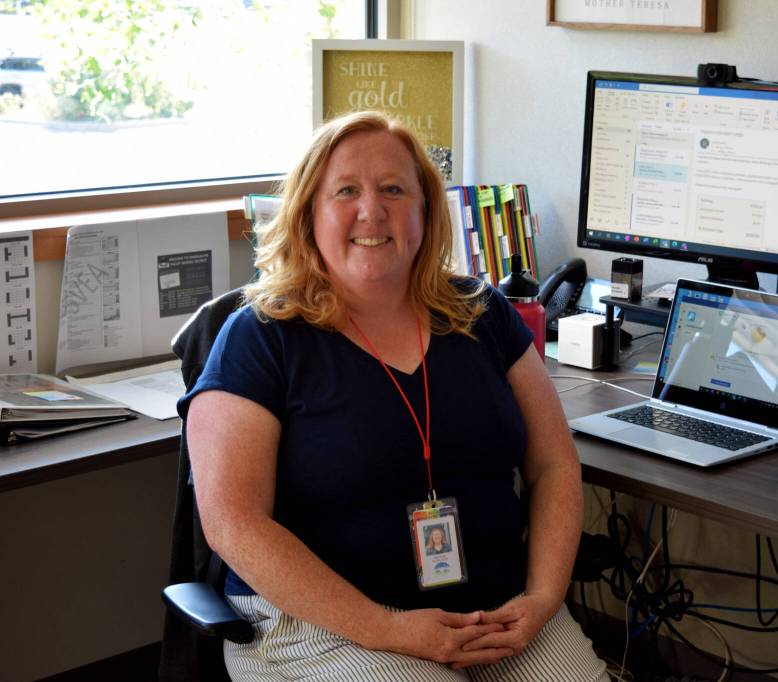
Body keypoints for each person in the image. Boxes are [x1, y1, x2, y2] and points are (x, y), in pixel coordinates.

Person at [182, 110, 608, 681]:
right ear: (309, 211)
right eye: (346, 191)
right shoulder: (261, 337)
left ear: (425, 210)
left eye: (393, 189)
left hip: (498, 610)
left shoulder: (481, 314)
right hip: (321, 628)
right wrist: (388, 627)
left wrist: (542, 599)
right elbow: (234, 523)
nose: (372, 211)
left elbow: (555, 464)